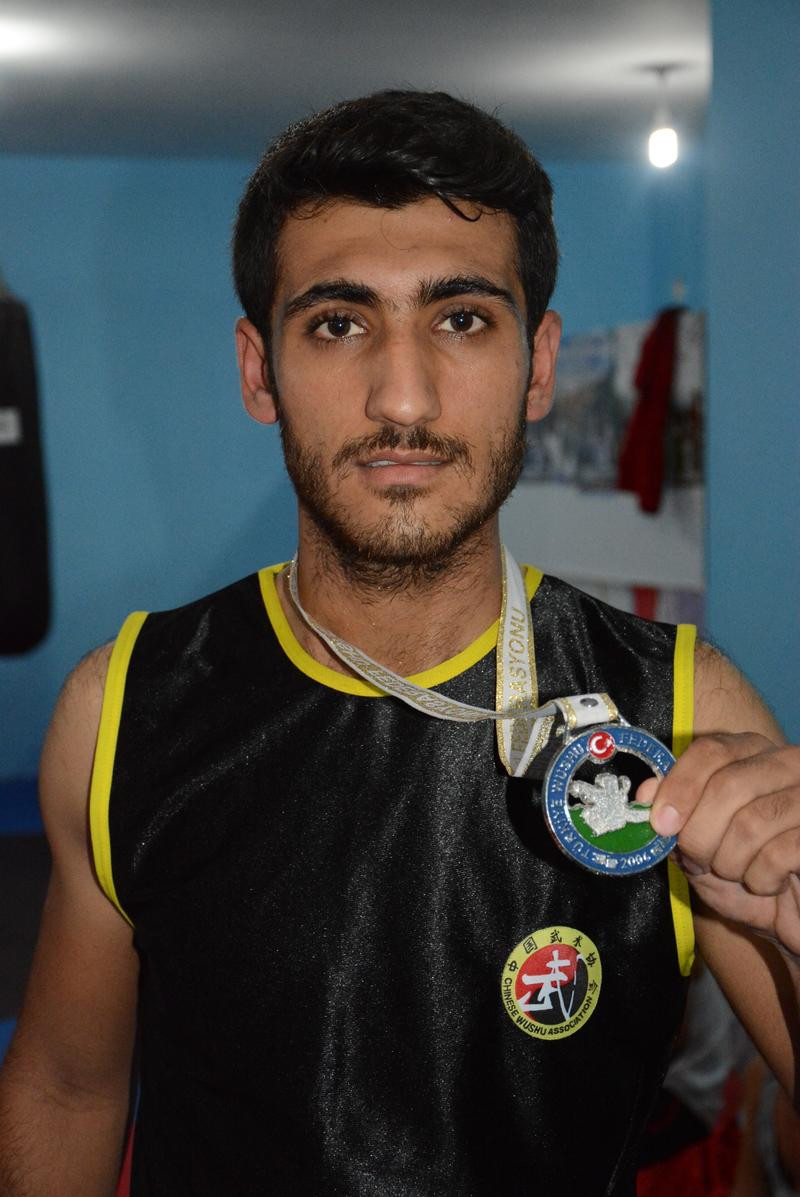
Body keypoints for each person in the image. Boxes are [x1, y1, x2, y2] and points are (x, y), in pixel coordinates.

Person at [0, 90, 797, 1196]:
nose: (404, 397)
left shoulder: (680, 713)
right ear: (257, 370)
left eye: (461, 319)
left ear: (538, 366)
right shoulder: (124, 706)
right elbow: (66, 1087)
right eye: (338, 323)